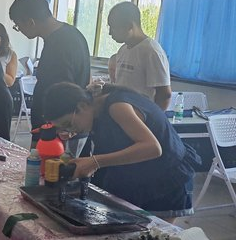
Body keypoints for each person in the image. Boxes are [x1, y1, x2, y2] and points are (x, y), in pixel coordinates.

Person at [43, 82, 199, 221]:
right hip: (140, 176)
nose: (70, 131)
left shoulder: (117, 106)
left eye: (68, 124)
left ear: (82, 106)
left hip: (165, 179)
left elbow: (152, 148)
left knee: (153, 238)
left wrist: (95, 162)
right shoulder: (96, 113)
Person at [9, 0, 91, 141]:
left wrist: (59, 129)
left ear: (31, 22)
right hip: (62, 125)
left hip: (58, 130)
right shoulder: (73, 34)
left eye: (18, 26)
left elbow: (62, 92)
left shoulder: (59, 45)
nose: (19, 30)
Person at [107, 2, 172, 110]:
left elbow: (165, 95)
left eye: (113, 28)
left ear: (129, 26)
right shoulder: (123, 50)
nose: (110, 33)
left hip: (141, 114)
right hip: (122, 111)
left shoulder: (151, 51)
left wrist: (152, 117)